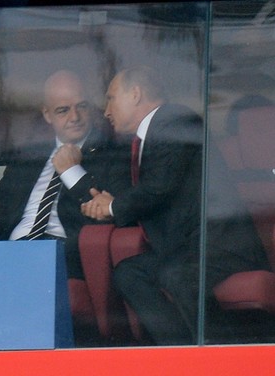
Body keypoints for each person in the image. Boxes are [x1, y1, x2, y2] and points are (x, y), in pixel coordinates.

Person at [82, 66, 269, 345]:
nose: (106, 110)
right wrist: (106, 202)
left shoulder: (175, 119)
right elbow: (139, 193)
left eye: (110, 98)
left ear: (135, 94)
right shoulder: (146, 138)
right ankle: (178, 349)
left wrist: (113, 206)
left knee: (178, 275)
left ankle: (219, 355)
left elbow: (159, 186)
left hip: (221, 245)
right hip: (183, 250)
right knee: (129, 273)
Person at [0, 70, 131, 342]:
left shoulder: (111, 153)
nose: (74, 117)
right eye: (63, 110)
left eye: (81, 107)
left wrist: (72, 170)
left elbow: (109, 212)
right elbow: (0, 204)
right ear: (47, 115)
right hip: (14, 250)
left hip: (64, 252)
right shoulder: (31, 154)